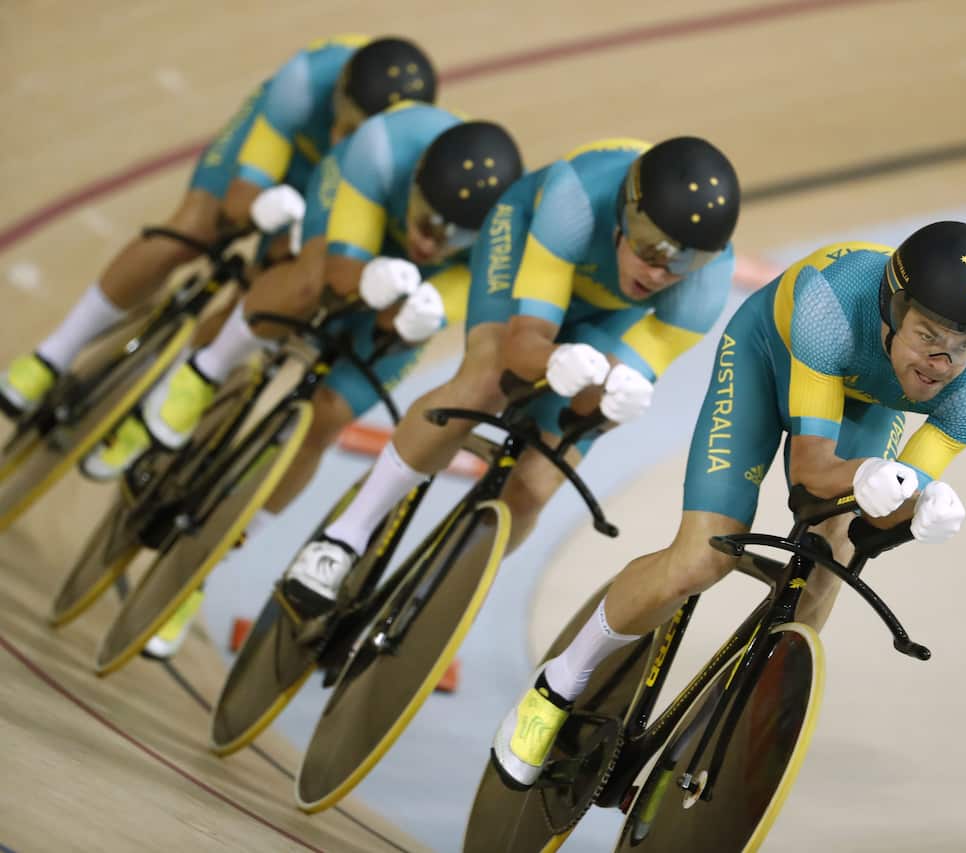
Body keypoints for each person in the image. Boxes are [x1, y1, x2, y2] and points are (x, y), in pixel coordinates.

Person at [489, 221, 966, 789]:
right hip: (770, 356)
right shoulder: (830, 303)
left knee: (825, 570)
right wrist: (868, 474)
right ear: (892, 310)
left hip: (860, 399)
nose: (943, 362)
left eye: (965, 347)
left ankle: (723, 729)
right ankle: (555, 687)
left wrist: (917, 517)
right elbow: (811, 478)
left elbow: (879, 514)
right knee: (700, 559)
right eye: (929, 336)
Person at [276, 136, 742, 624]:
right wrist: (554, 358)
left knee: (540, 481)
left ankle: (442, 599)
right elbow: (524, 347)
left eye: (684, 262)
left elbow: (589, 412)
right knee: (487, 380)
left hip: (607, 318)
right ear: (626, 213)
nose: (661, 271)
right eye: (651, 248)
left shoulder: (703, 290)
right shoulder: (576, 199)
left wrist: (606, 404)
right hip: (526, 248)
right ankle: (342, 539)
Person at [138, 109, 524, 659]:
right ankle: (202, 375)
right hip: (348, 219)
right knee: (304, 288)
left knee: (328, 415)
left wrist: (427, 314)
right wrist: (357, 278)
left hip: (418, 288)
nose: (434, 242)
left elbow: (466, 299)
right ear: (413, 183)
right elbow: (341, 270)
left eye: (456, 236)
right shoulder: (383, 149)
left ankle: (207, 565)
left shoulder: (500, 238)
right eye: (428, 223)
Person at [0, 35, 437, 419]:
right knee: (191, 231)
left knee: (271, 290)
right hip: (284, 159)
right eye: (345, 124)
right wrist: (255, 206)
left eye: (360, 136)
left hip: (342, 197)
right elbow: (243, 192)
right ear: (338, 94)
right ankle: (52, 355)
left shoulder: (394, 162)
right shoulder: (306, 80)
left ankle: (172, 393)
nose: (344, 142)